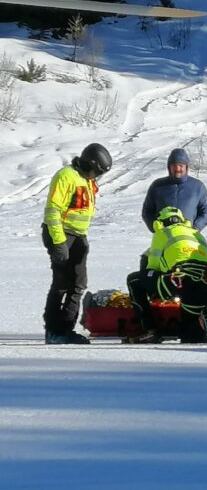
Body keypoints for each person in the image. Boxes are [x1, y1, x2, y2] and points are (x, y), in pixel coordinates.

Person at [42, 143, 112, 344]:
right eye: (96, 172)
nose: (96, 176)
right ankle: (54, 331)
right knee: (62, 283)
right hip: (60, 234)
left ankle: (66, 329)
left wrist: (81, 240)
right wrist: (59, 242)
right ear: (90, 163)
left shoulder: (86, 180)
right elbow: (53, 211)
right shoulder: (66, 176)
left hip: (78, 236)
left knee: (78, 283)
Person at [126, 206, 207, 344]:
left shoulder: (163, 232)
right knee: (191, 336)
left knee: (134, 280)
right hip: (206, 284)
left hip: (180, 282)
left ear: (160, 222)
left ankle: (149, 330)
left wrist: (154, 290)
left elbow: (153, 266)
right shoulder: (197, 234)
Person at [141, 148, 207, 232]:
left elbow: (206, 213)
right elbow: (147, 211)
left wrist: (194, 228)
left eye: (181, 165)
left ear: (186, 167)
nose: (177, 169)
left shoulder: (197, 187)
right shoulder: (157, 186)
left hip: (188, 237)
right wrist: (155, 227)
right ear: (169, 167)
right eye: (174, 166)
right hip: (163, 237)